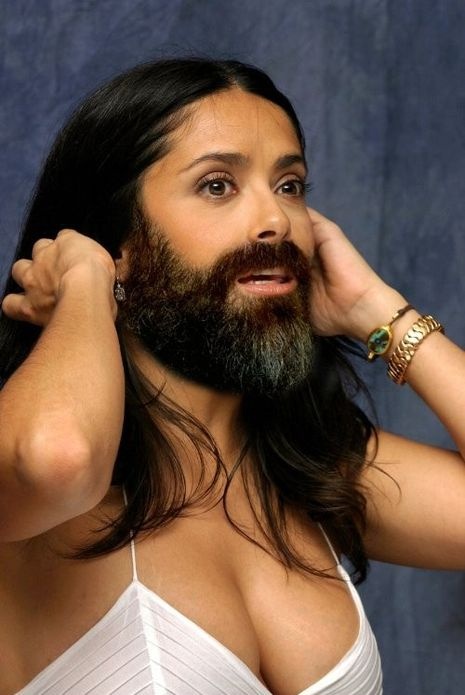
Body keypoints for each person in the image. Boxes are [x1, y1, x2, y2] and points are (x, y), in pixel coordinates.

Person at [0, 57, 464, 695]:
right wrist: (85, 281)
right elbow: (58, 458)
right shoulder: (30, 486)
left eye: (290, 185)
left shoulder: (315, 474)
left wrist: (377, 311)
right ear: (118, 243)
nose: (276, 220)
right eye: (218, 185)